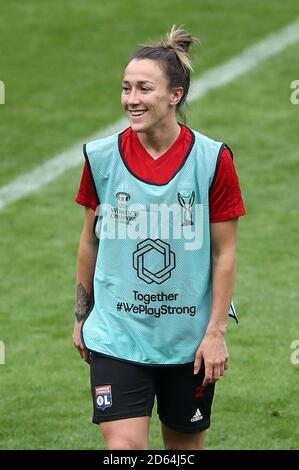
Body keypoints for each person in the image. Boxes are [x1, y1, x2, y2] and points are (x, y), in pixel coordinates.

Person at [73, 25, 246, 450]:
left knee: (183, 452)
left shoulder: (212, 160)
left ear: (175, 95)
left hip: (187, 338)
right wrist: (82, 315)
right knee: (124, 450)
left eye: (144, 89)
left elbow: (225, 252)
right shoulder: (101, 158)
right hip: (118, 332)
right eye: (126, 88)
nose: (131, 99)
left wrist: (216, 333)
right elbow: (90, 240)